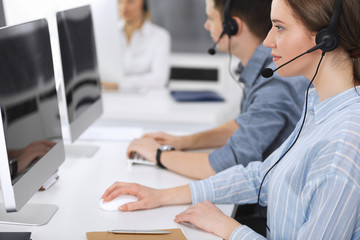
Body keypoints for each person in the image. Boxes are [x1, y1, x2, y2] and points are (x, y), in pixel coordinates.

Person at [102, 0, 360, 238]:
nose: (268, 40)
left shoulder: (342, 145)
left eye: (280, 28)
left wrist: (229, 228)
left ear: (325, 39)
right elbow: (261, 176)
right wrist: (162, 196)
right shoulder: (316, 106)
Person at [126, 0, 308, 180]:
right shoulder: (264, 69)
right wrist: (184, 142)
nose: (206, 25)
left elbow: (226, 164)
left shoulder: (275, 80)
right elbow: (244, 126)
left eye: (211, 18)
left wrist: (157, 155)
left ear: (232, 27)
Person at [101, 0, 171, 91]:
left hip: (148, 99)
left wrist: (119, 85)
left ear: (144, 5)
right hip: (112, 97)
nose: (123, 8)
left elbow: (159, 79)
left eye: (130, 2)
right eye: (120, 2)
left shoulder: (159, 36)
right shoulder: (107, 33)